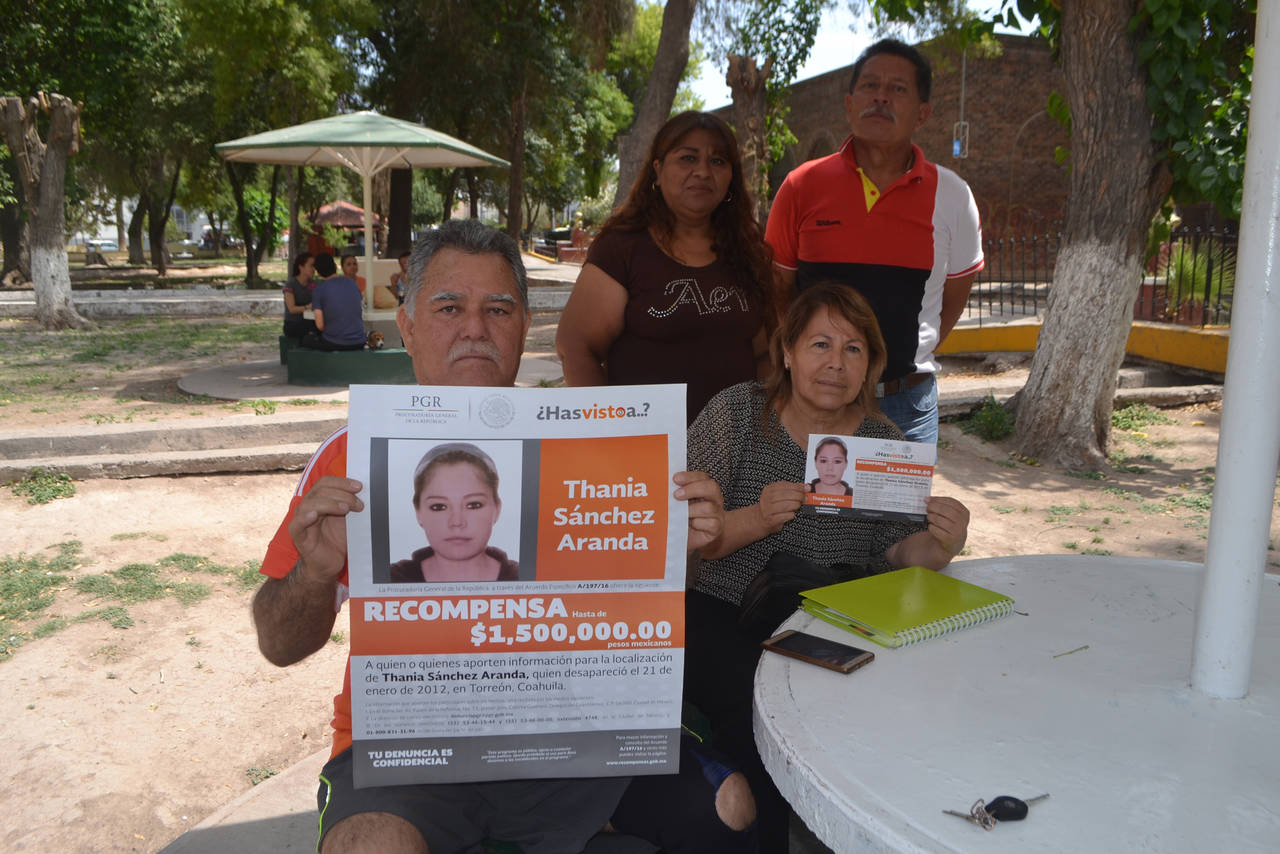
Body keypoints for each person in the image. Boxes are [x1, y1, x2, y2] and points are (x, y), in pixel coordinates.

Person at [253, 219, 756, 854]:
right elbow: (278, 644)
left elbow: (631, 625)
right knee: (369, 847)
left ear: (524, 328)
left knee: (727, 805)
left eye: (498, 309)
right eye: (448, 307)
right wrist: (316, 572)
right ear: (405, 326)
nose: (475, 328)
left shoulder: (602, 446)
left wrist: (678, 546)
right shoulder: (351, 458)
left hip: (574, 734)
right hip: (404, 746)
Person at [684, 282, 971, 851]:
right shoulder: (738, 414)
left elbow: (898, 551)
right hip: (727, 612)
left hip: (833, 617)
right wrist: (756, 519)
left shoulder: (883, 443)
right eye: (819, 344)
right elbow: (691, 541)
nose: (835, 364)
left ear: (870, 366)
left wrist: (939, 547)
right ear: (786, 352)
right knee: (757, 714)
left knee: (878, 709)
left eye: (853, 350)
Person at [765, 38, 985, 444]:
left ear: (923, 114)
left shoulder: (952, 197)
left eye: (898, 89)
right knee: (804, 510)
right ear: (849, 103)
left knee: (898, 512)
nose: (881, 98)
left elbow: (952, 302)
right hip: (813, 401)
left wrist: (905, 355)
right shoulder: (801, 186)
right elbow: (779, 292)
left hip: (906, 407)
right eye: (869, 86)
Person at [556, 111, 773, 424]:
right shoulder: (622, 248)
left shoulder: (748, 252)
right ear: (657, 170)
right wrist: (605, 430)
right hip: (644, 451)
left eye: (717, 161)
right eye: (687, 158)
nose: (702, 171)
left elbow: (764, 356)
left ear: (731, 178)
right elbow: (576, 346)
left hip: (736, 453)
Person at [389, 442, 518, 583]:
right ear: (418, 512)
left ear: (497, 509)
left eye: (474, 505)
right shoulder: (389, 578)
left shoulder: (527, 578)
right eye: (439, 507)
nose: (457, 522)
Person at [304, 252, 366, 351]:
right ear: (335, 266)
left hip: (335, 342)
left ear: (318, 272)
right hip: (359, 341)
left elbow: (320, 325)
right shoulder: (352, 283)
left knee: (307, 339)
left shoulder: (319, 290)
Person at [282, 251, 318, 340]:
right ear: (301, 267)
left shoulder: (313, 284)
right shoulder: (291, 284)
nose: (314, 269)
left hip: (310, 321)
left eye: (315, 266)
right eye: (311, 265)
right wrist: (308, 307)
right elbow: (292, 309)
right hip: (293, 324)